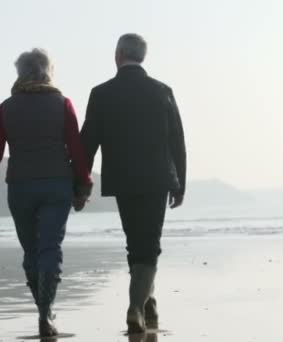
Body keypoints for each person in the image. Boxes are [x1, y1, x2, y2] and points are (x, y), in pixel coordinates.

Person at [0, 48, 92, 337]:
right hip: (56, 185)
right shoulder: (63, 104)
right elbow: (75, 148)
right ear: (48, 71)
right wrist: (83, 185)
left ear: (20, 73)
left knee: (31, 252)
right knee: (50, 248)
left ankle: (43, 310)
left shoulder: (6, 107)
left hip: (20, 188)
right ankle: (45, 314)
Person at [78, 33, 187, 333]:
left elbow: (87, 142)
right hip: (157, 179)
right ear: (142, 56)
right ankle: (137, 306)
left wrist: (81, 182)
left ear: (118, 55)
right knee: (149, 243)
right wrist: (180, 183)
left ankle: (146, 301)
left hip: (122, 178)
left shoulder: (101, 93)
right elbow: (177, 140)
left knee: (135, 243)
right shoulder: (162, 91)